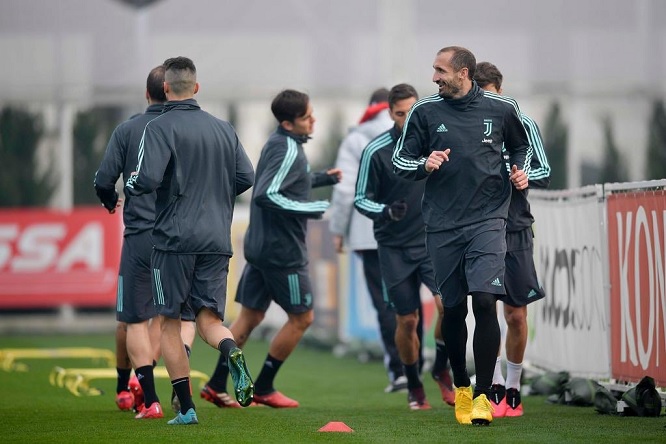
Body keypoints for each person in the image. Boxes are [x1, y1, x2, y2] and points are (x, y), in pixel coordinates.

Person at [392, 46, 530, 426]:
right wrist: (425, 163)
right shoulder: (424, 112)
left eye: (440, 70)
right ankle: (462, 386)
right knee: (453, 309)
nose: (434, 77)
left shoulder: (502, 109)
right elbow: (400, 161)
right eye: (434, 70)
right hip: (441, 224)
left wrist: (519, 169)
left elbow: (521, 146)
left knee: (485, 301)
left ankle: (485, 396)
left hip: (488, 219)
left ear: (464, 72)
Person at [125, 56, 256, 425]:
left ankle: (185, 408)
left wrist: (130, 182)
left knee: (168, 323)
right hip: (216, 238)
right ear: (196, 88)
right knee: (209, 319)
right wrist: (212, 194)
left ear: (165, 89)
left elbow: (144, 180)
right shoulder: (224, 128)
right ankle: (230, 350)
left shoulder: (160, 126)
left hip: (173, 240)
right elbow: (246, 176)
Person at [200, 89, 341, 409]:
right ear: (290, 124)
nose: (313, 120)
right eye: (307, 117)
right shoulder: (288, 148)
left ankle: (215, 383)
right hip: (282, 253)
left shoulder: (279, 143)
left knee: (250, 317)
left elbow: (287, 181)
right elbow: (265, 195)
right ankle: (264, 386)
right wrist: (312, 207)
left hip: (261, 246)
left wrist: (321, 178)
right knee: (302, 318)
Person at [95, 65, 196, 419]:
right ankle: (157, 382)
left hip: (140, 235)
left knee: (132, 319)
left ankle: (142, 393)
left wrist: (110, 202)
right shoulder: (189, 129)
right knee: (173, 316)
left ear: (148, 93)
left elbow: (104, 179)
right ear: (173, 90)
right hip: (181, 236)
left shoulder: (128, 130)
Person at [354, 83, 455, 410]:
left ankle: (440, 367)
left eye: (413, 111)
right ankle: (412, 383)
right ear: (390, 114)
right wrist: (383, 211)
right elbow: (360, 199)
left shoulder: (436, 144)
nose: (408, 118)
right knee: (407, 321)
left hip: (432, 242)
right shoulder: (375, 150)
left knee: (448, 307)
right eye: (401, 113)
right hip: (393, 247)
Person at [474, 61, 550, 418]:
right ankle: (487, 385)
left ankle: (514, 387)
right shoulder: (466, 125)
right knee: (483, 308)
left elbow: (544, 171)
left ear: (500, 91)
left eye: (489, 95)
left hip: (516, 227)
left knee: (516, 314)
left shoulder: (523, 123)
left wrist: (522, 177)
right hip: (476, 229)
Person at [328, 88, 409, 393]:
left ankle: (400, 371)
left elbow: (345, 190)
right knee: (411, 303)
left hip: (369, 233)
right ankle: (425, 366)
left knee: (385, 304)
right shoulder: (417, 131)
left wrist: (338, 230)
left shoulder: (357, 138)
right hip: (414, 231)